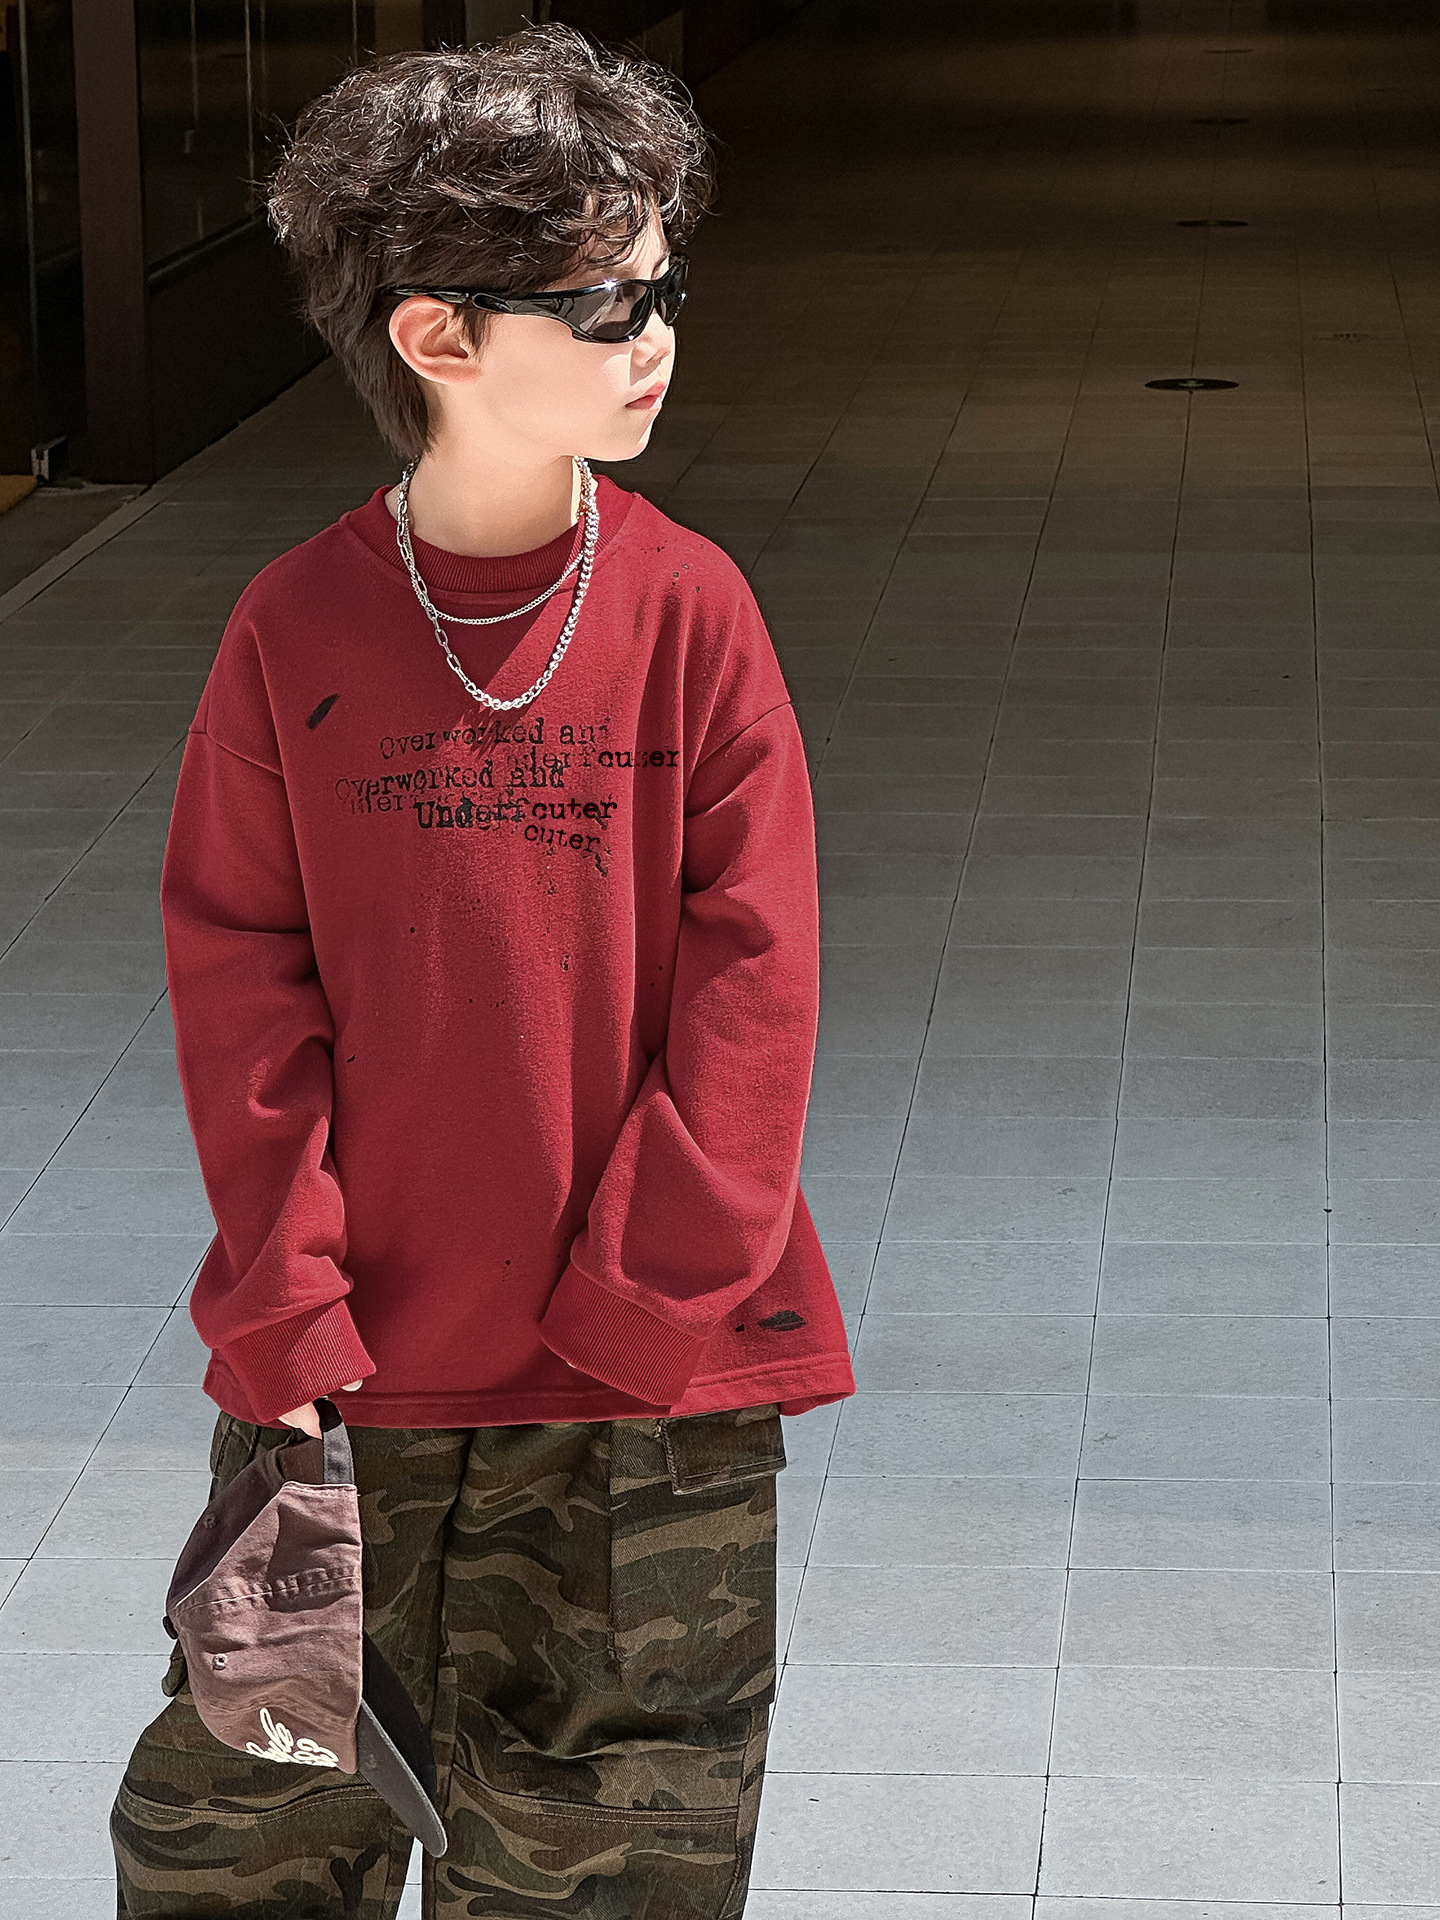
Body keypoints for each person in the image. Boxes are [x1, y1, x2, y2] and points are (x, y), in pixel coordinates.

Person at [109, 22, 854, 1920]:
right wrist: (286, 1303)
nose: (655, 336)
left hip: (647, 1392)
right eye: (606, 304)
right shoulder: (293, 626)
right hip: (342, 1387)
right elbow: (239, 982)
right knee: (242, 1844)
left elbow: (757, 980)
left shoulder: (693, 611)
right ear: (438, 336)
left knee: (610, 1859)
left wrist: (646, 1304)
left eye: (663, 287)